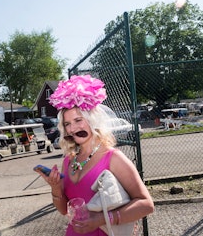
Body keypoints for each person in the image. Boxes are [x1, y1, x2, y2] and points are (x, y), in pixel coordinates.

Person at [35, 75, 154, 235]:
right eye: (67, 124)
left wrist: (101, 219)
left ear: (93, 120)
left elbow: (146, 204)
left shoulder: (113, 157)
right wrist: (56, 188)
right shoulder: (68, 161)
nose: (72, 129)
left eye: (78, 120)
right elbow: (64, 210)